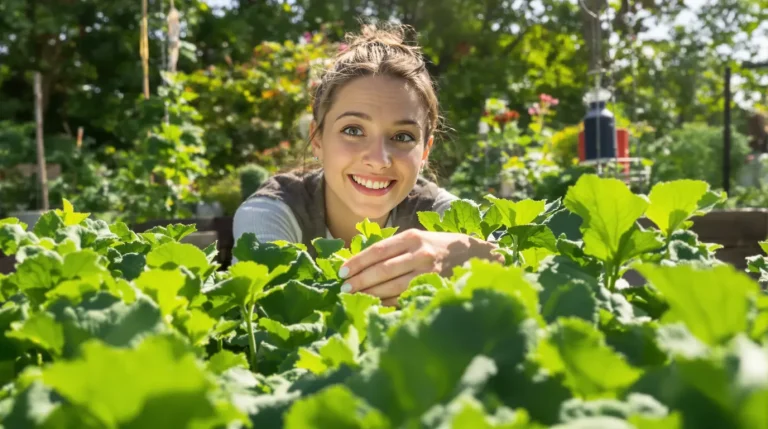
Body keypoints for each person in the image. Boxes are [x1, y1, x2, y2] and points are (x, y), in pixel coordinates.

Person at [233, 23, 504, 306]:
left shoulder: (441, 214)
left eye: (402, 136)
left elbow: (521, 264)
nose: (378, 160)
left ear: (425, 151)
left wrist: (482, 257)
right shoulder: (270, 212)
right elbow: (270, 316)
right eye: (353, 130)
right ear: (317, 139)